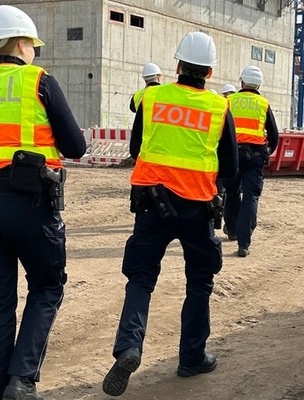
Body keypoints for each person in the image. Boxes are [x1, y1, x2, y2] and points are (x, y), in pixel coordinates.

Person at [0, 5, 86, 400]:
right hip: (28, 205)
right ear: (24, 43)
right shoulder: (38, 81)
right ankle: (22, 380)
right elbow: (75, 147)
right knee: (46, 286)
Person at [102, 31, 238, 397]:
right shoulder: (218, 107)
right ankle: (191, 357)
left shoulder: (152, 97)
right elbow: (231, 165)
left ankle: (129, 347)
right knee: (199, 280)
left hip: (152, 203)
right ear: (209, 72)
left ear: (177, 66)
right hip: (198, 207)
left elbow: (134, 146)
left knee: (141, 280)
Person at [222, 65, 279, 257]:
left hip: (233, 155)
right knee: (250, 197)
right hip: (255, 157)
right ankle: (243, 244)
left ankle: (231, 230)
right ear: (259, 84)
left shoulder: (229, 101)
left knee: (231, 193)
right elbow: (274, 134)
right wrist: (268, 151)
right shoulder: (263, 104)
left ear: (242, 82)